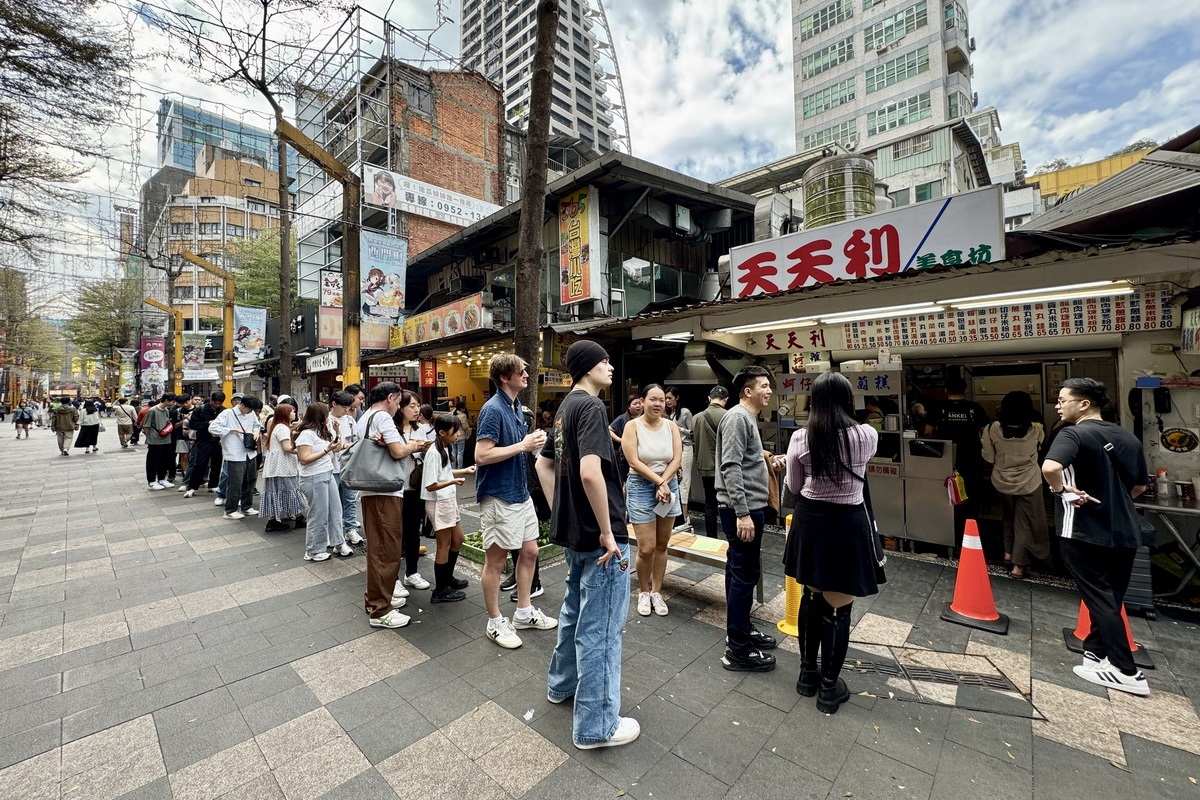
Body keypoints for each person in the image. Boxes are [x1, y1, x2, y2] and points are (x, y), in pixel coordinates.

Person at [535, 340, 638, 750]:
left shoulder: (564, 409)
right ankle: (596, 726)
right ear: (588, 367)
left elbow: (543, 462)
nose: (611, 366)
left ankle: (562, 686)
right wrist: (608, 531)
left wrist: (562, 506)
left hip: (575, 532)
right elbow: (592, 473)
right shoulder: (592, 407)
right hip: (601, 536)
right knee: (603, 629)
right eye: (605, 360)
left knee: (574, 611)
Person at [1042, 378, 1150, 696]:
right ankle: (1096, 653)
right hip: (1126, 531)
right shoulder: (1127, 437)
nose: (1059, 406)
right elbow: (1139, 487)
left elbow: (1050, 467)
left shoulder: (1073, 433)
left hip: (1083, 530)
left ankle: (1126, 670)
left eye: (1063, 400)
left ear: (1084, 404)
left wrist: (1061, 489)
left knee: (1099, 599)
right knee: (1110, 598)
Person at [784, 372, 881, 713]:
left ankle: (806, 676)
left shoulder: (800, 437)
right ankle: (829, 689)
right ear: (848, 400)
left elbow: (794, 488)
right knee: (838, 609)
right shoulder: (867, 435)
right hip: (846, 524)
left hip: (810, 523)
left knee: (811, 597)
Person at [475, 353, 557, 649]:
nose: (526, 373)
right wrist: (523, 445)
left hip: (519, 493)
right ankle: (495, 621)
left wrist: (531, 446)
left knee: (531, 551)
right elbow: (481, 455)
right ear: (504, 377)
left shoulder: (516, 407)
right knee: (495, 562)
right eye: (521, 371)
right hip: (499, 495)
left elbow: (515, 450)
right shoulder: (493, 409)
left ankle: (523, 612)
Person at [716, 366, 779, 673]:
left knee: (738, 573)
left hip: (747, 507)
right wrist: (742, 513)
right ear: (747, 391)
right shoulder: (738, 417)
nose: (769, 390)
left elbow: (745, 460)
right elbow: (730, 466)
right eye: (763, 386)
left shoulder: (746, 418)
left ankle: (741, 628)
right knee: (744, 575)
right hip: (741, 510)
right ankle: (738, 649)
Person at [356, 382, 427, 629]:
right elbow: (398, 452)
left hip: (370, 489)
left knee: (378, 548)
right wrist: (414, 446)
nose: (399, 407)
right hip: (385, 491)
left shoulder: (364, 417)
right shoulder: (384, 418)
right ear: (391, 397)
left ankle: (375, 600)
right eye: (398, 401)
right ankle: (380, 610)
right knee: (387, 549)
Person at [623, 384, 683, 617]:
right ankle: (644, 590)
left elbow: (677, 458)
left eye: (662, 400)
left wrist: (664, 482)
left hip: (668, 485)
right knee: (646, 548)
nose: (658, 404)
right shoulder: (632, 426)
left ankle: (657, 591)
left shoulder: (671, 426)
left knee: (661, 544)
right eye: (653, 399)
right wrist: (660, 482)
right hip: (641, 485)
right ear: (643, 401)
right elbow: (634, 461)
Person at [982, 391, 1050, 579]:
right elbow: (1040, 448)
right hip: (1029, 481)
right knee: (1025, 522)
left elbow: (988, 456)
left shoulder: (992, 428)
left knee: (1009, 516)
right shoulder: (1036, 428)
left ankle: (1008, 553)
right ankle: (1018, 566)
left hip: (1002, 481)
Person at [925, 376, 990, 547]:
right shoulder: (975, 408)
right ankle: (971, 537)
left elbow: (928, 433)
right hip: (971, 462)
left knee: (946, 499)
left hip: (945, 464)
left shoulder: (938, 408)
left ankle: (947, 537)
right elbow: (986, 433)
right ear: (965, 390)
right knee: (970, 500)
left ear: (946, 390)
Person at [421, 413, 475, 602]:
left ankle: (447, 578)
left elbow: (443, 473)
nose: (458, 435)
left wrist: (463, 471)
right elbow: (430, 484)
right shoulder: (434, 453)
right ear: (442, 432)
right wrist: (453, 481)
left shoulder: (442, 448)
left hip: (447, 500)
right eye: (455, 431)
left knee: (458, 539)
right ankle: (440, 590)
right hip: (439, 502)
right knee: (443, 545)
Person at [295, 402, 351, 561]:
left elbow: (337, 448)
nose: (329, 417)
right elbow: (304, 459)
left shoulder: (322, 431)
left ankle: (338, 542)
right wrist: (326, 450)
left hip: (327, 473)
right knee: (318, 513)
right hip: (313, 476)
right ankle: (313, 550)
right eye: (326, 414)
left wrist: (338, 432)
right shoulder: (306, 434)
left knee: (336, 509)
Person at [398, 393, 434, 591]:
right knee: (396, 533)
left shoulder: (419, 429)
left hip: (415, 485)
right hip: (396, 487)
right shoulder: (393, 430)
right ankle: (393, 578)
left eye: (418, 405)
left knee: (413, 531)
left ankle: (411, 572)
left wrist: (426, 450)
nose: (416, 409)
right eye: (412, 405)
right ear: (400, 407)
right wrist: (409, 448)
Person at [210, 395, 262, 519]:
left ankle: (246, 506)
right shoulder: (227, 413)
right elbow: (212, 428)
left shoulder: (251, 413)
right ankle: (230, 510)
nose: (251, 412)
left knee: (250, 480)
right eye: (249, 409)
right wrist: (232, 430)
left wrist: (255, 431)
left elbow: (256, 425)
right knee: (235, 482)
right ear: (242, 405)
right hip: (235, 452)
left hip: (250, 451)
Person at [261, 402, 305, 533]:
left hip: (275, 465)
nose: (294, 413)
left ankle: (273, 520)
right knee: (291, 489)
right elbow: (287, 448)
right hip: (283, 465)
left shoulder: (278, 426)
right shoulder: (282, 428)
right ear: (285, 414)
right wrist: (304, 451)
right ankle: (299, 517)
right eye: (292, 411)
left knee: (276, 490)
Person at [692, 386, 728, 537]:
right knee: (727, 503)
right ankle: (730, 535)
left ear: (709, 398)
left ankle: (711, 537)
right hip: (724, 468)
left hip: (705, 467)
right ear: (726, 400)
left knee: (709, 504)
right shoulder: (729, 416)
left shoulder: (696, 418)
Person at [329, 391, 363, 545]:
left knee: (350, 499)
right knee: (333, 502)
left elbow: (357, 440)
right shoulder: (325, 420)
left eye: (348, 407)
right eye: (343, 407)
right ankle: (333, 532)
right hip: (331, 466)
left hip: (348, 465)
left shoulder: (350, 420)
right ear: (334, 404)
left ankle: (350, 529)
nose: (346, 410)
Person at [182, 392, 226, 499]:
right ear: (211, 400)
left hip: (217, 441)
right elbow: (193, 425)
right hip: (203, 440)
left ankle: (213, 484)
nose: (217, 405)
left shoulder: (224, 411)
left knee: (217, 463)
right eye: (215, 403)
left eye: (220, 403)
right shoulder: (200, 410)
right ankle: (192, 487)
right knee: (200, 463)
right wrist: (208, 423)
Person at [664, 387, 695, 532]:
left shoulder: (685, 412)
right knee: (675, 480)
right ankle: (677, 516)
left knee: (684, 481)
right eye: (666, 398)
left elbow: (693, 434)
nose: (667, 401)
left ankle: (685, 517)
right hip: (673, 449)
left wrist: (678, 428)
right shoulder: (669, 413)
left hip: (686, 448)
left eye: (670, 398)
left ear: (677, 398)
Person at [608, 393, 643, 486]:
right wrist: (621, 440)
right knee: (625, 480)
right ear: (629, 406)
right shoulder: (622, 418)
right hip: (625, 455)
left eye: (640, 403)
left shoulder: (646, 418)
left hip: (642, 453)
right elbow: (609, 430)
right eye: (635, 404)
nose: (638, 406)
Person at [142, 394, 177, 488]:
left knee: (165, 460)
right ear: (166, 400)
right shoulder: (152, 410)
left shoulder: (166, 411)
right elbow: (146, 425)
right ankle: (152, 481)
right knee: (152, 461)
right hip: (154, 440)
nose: (174, 403)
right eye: (172, 401)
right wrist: (149, 438)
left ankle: (162, 479)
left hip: (166, 439)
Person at [452, 401, 472, 467]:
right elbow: (465, 426)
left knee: (453, 452)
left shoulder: (452, 413)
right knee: (460, 453)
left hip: (452, 435)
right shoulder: (463, 416)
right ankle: (459, 468)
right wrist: (470, 431)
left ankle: (453, 467)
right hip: (461, 436)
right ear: (461, 408)